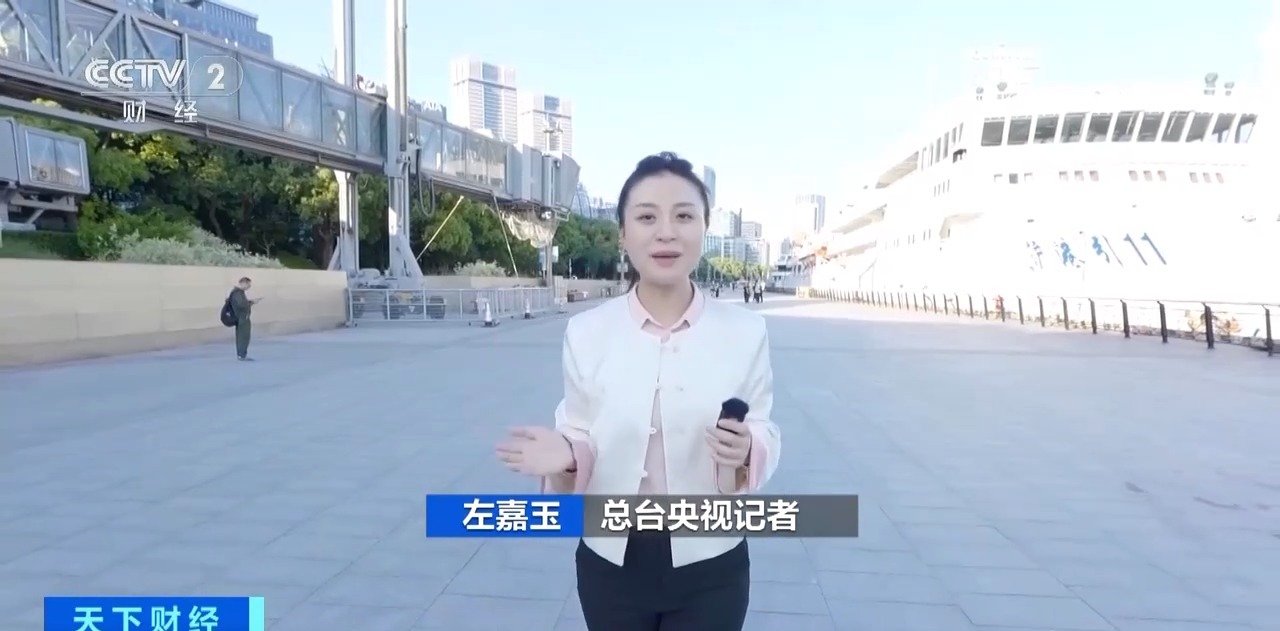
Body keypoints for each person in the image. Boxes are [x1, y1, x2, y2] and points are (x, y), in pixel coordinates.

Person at [496, 152, 781, 631]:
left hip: (712, 561)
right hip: (611, 561)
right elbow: (580, 430)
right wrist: (566, 455)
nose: (666, 232)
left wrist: (747, 447)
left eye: (683, 216)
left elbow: (763, 425)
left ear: (704, 228)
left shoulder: (746, 332)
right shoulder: (586, 332)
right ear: (623, 234)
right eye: (647, 217)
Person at [229, 277, 261, 361]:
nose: (249, 286)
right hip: (242, 318)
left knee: (243, 336)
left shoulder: (238, 293)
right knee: (243, 336)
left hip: (241, 317)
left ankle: (242, 354)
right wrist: (252, 302)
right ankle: (241, 354)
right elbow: (241, 304)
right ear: (243, 283)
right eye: (248, 284)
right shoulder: (237, 293)